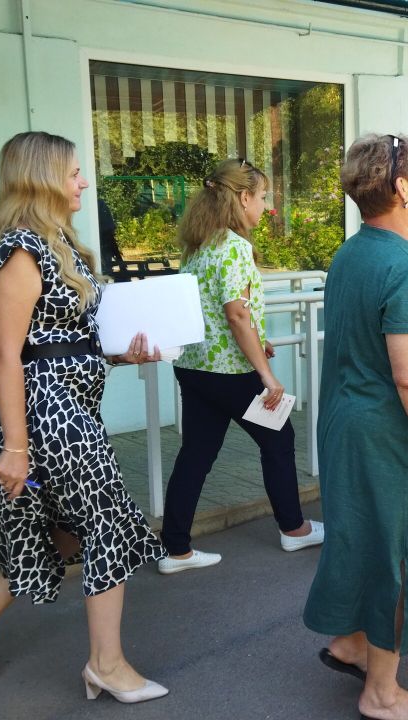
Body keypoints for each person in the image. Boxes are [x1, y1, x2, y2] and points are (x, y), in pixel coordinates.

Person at [0, 131, 167, 703]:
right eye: (72, 173)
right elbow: (6, 352)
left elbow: (65, 338)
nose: (83, 182)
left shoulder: (60, 243)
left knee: (61, 531)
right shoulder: (21, 249)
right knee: (107, 521)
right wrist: (15, 448)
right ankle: (106, 664)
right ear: (41, 179)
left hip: (71, 403)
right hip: (46, 410)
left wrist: (122, 354)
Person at [304, 134, 408, 720]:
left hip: (350, 427)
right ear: (402, 188)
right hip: (393, 440)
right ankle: (382, 695)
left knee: (366, 542)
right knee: (403, 556)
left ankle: (352, 644)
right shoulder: (402, 265)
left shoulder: (353, 253)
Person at [157, 158, 323, 575]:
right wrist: (265, 374)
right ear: (243, 197)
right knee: (279, 439)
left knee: (196, 454)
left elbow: (220, 311)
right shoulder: (234, 246)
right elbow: (235, 313)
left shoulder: (198, 247)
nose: (266, 205)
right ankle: (294, 529)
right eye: (263, 197)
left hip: (195, 368)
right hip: (231, 374)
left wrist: (258, 338)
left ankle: (175, 549)